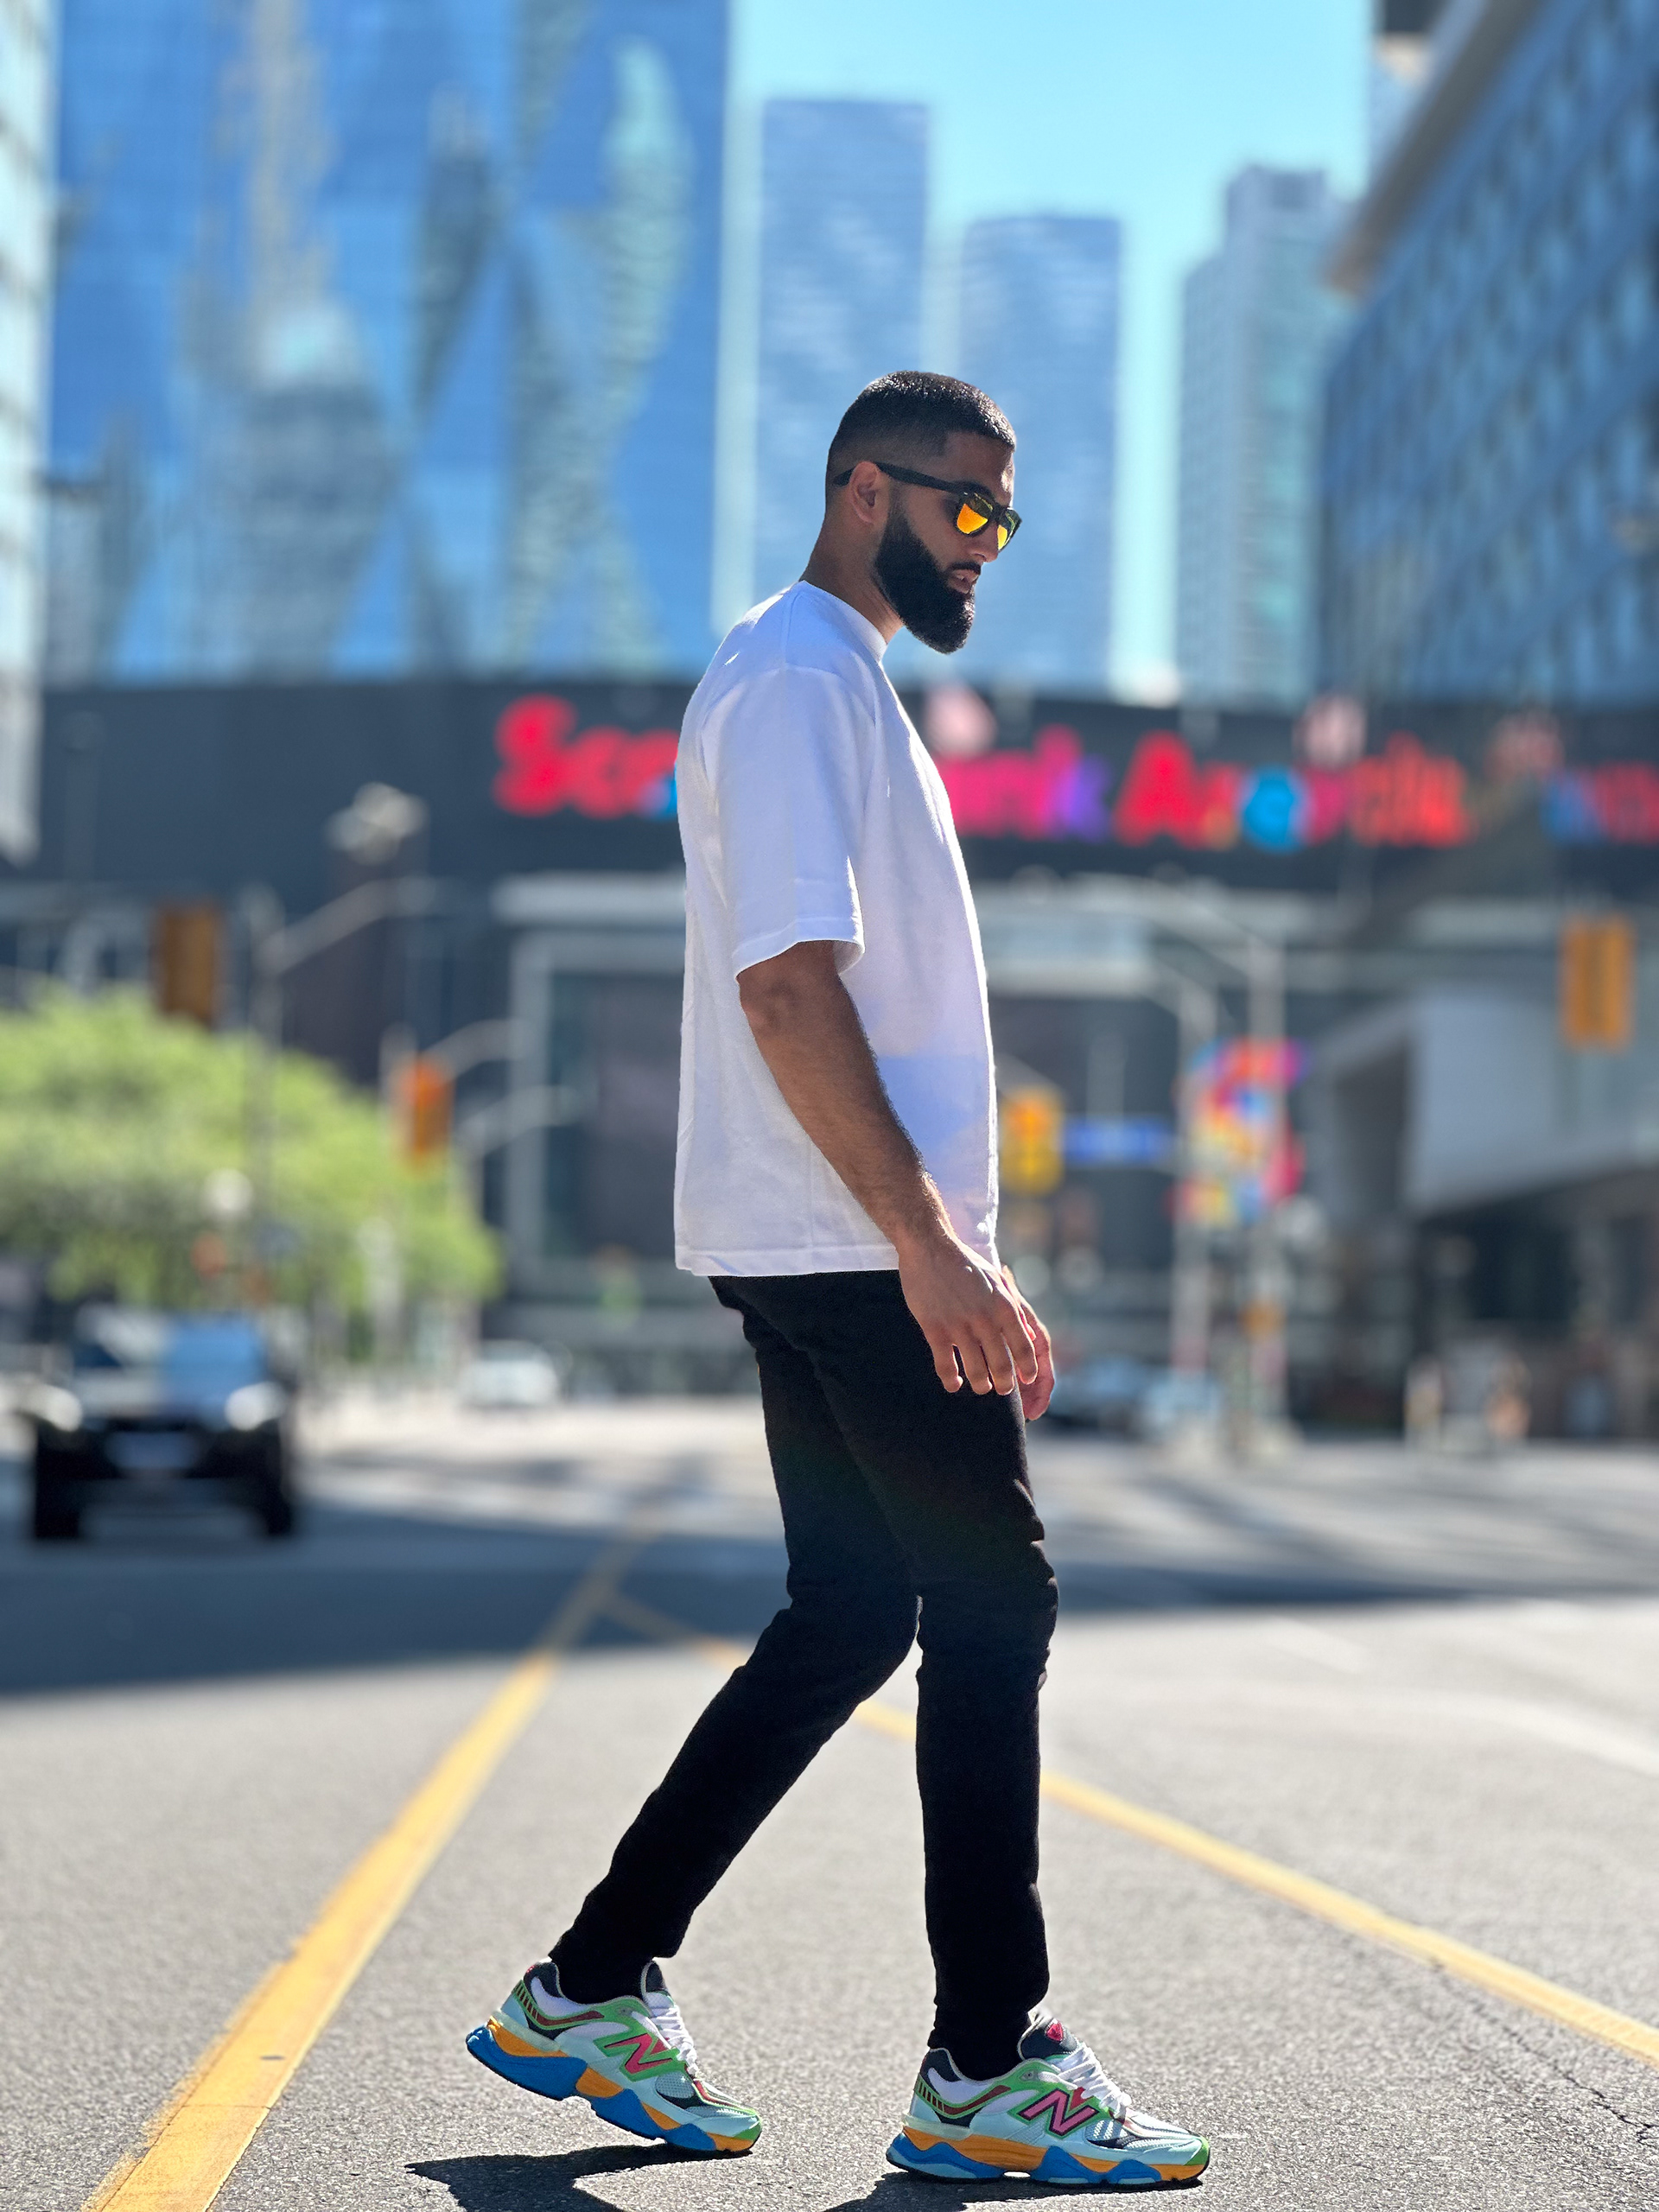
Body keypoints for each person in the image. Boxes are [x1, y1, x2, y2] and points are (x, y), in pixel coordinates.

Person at [468, 372, 1211, 2189]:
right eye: (965, 509)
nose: (985, 548)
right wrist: (930, 1240)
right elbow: (790, 986)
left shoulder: (826, 675)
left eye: (1004, 522)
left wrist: (924, 1232)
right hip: (842, 1239)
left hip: (812, 1235)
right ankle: (987, 2059)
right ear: (859, 485)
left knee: (856, 1610)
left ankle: (588, 1980)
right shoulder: (801, 673)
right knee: (996, 1603)